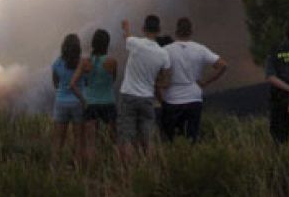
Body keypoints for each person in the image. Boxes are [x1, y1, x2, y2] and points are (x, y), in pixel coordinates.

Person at [161, 17, 227, 143]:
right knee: (192, 138)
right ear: (191, 32)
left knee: (171, 140)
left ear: (176, 32)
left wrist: (161, 83)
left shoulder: (166, 50)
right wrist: (205, 82)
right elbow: (223, 65)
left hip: (172, 99)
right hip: (194, 98)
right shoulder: (200, 49)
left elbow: (156, 70)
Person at [116, 16, 172, 161]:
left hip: (128, 95)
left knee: (127, 138)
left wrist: (126, 26)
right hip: (147, 98)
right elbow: (165, 81)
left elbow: (127, 36)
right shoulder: (164, 54)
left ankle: (129, 175)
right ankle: (150, 172)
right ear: (159, 30)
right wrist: (152, 83)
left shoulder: (135, 44)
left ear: (143, 28)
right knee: (149, 139)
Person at [72, 28, 119, 163]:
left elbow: (72, 84)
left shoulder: (85, 62)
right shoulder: (112, 62)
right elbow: (113, 80)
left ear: (93, 43)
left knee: (91, 143)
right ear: (107, 44)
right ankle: (116, 168)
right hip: (109, 103)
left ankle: (91, 171)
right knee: (114, 140)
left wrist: (83, 100)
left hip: (91, 104)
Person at [52, 32, 85, 154]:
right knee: (78, 140)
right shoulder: (83, 63)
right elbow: (86, 82)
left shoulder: (57, 63)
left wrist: (63, 92)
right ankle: (79, 170)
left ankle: (54, 170)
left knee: (58, 140)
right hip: (78, 103)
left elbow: (55, 83)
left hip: (61, 102)